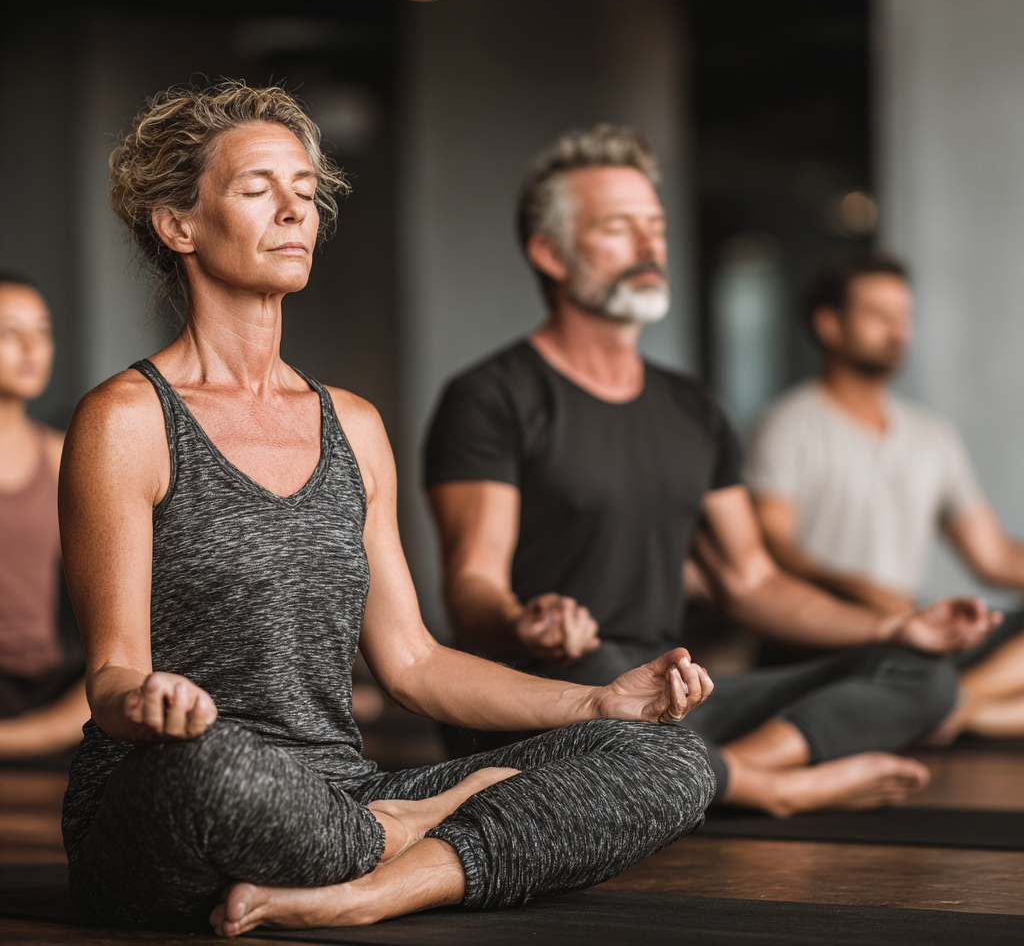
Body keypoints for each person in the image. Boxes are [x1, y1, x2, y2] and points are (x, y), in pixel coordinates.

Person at [59, 83, 717, 938]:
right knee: (207, 772)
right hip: (178, 799)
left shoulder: (355, 427)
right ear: (178, 225)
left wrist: (597, 705)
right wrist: (148, 706)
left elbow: (413, 664)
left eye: (306, 190)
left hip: (336, 791)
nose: (295, 210)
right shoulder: (127, 421)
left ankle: (375, 885)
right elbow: (111, 676)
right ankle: (399, 838)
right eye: (259, 189)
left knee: (672, 760)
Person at [424, 124, 999, 820]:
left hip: (671, 692)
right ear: (551, 253)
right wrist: (525, 622)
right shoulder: (491, 396)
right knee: (607, 682)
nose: (648, 246)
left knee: (922, 677)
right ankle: (769, 787)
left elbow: (751, 581)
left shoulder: (691, 406)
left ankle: (708, 775)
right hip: (551, 687)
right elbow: (471, 588)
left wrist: (895, 628)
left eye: (656, 227)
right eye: (618, 228)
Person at [747, 253, 1024, 740]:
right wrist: (864, 592)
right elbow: (771, 551)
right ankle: (941, 703)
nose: (899, 330)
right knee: (906, 668)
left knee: (930, 665)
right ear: (829, 325)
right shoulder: (785, 426)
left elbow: (993, 556)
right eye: (879, 315)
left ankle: (955, 705)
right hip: (828, 639)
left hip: (915, 634)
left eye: (905, 317)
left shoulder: (932, 435)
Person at [0, 272, 90, 760]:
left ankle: (15, 742)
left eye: (42, 331)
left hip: (49, 683)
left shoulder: (62, 456)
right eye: (9, 332)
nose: (31, 348)